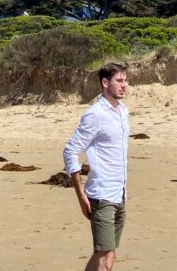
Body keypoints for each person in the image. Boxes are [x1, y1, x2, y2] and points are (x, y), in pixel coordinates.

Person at [62, 63, 130, 271]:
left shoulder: (123, 111)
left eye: (125, 80)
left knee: (106, 254)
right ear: (104, 82)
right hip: (101, 196)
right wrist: (81, 194)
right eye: (119, 81)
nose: (124, 85)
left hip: (120, 193)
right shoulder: (95, 114)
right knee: (105, 255)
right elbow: (70, 150)